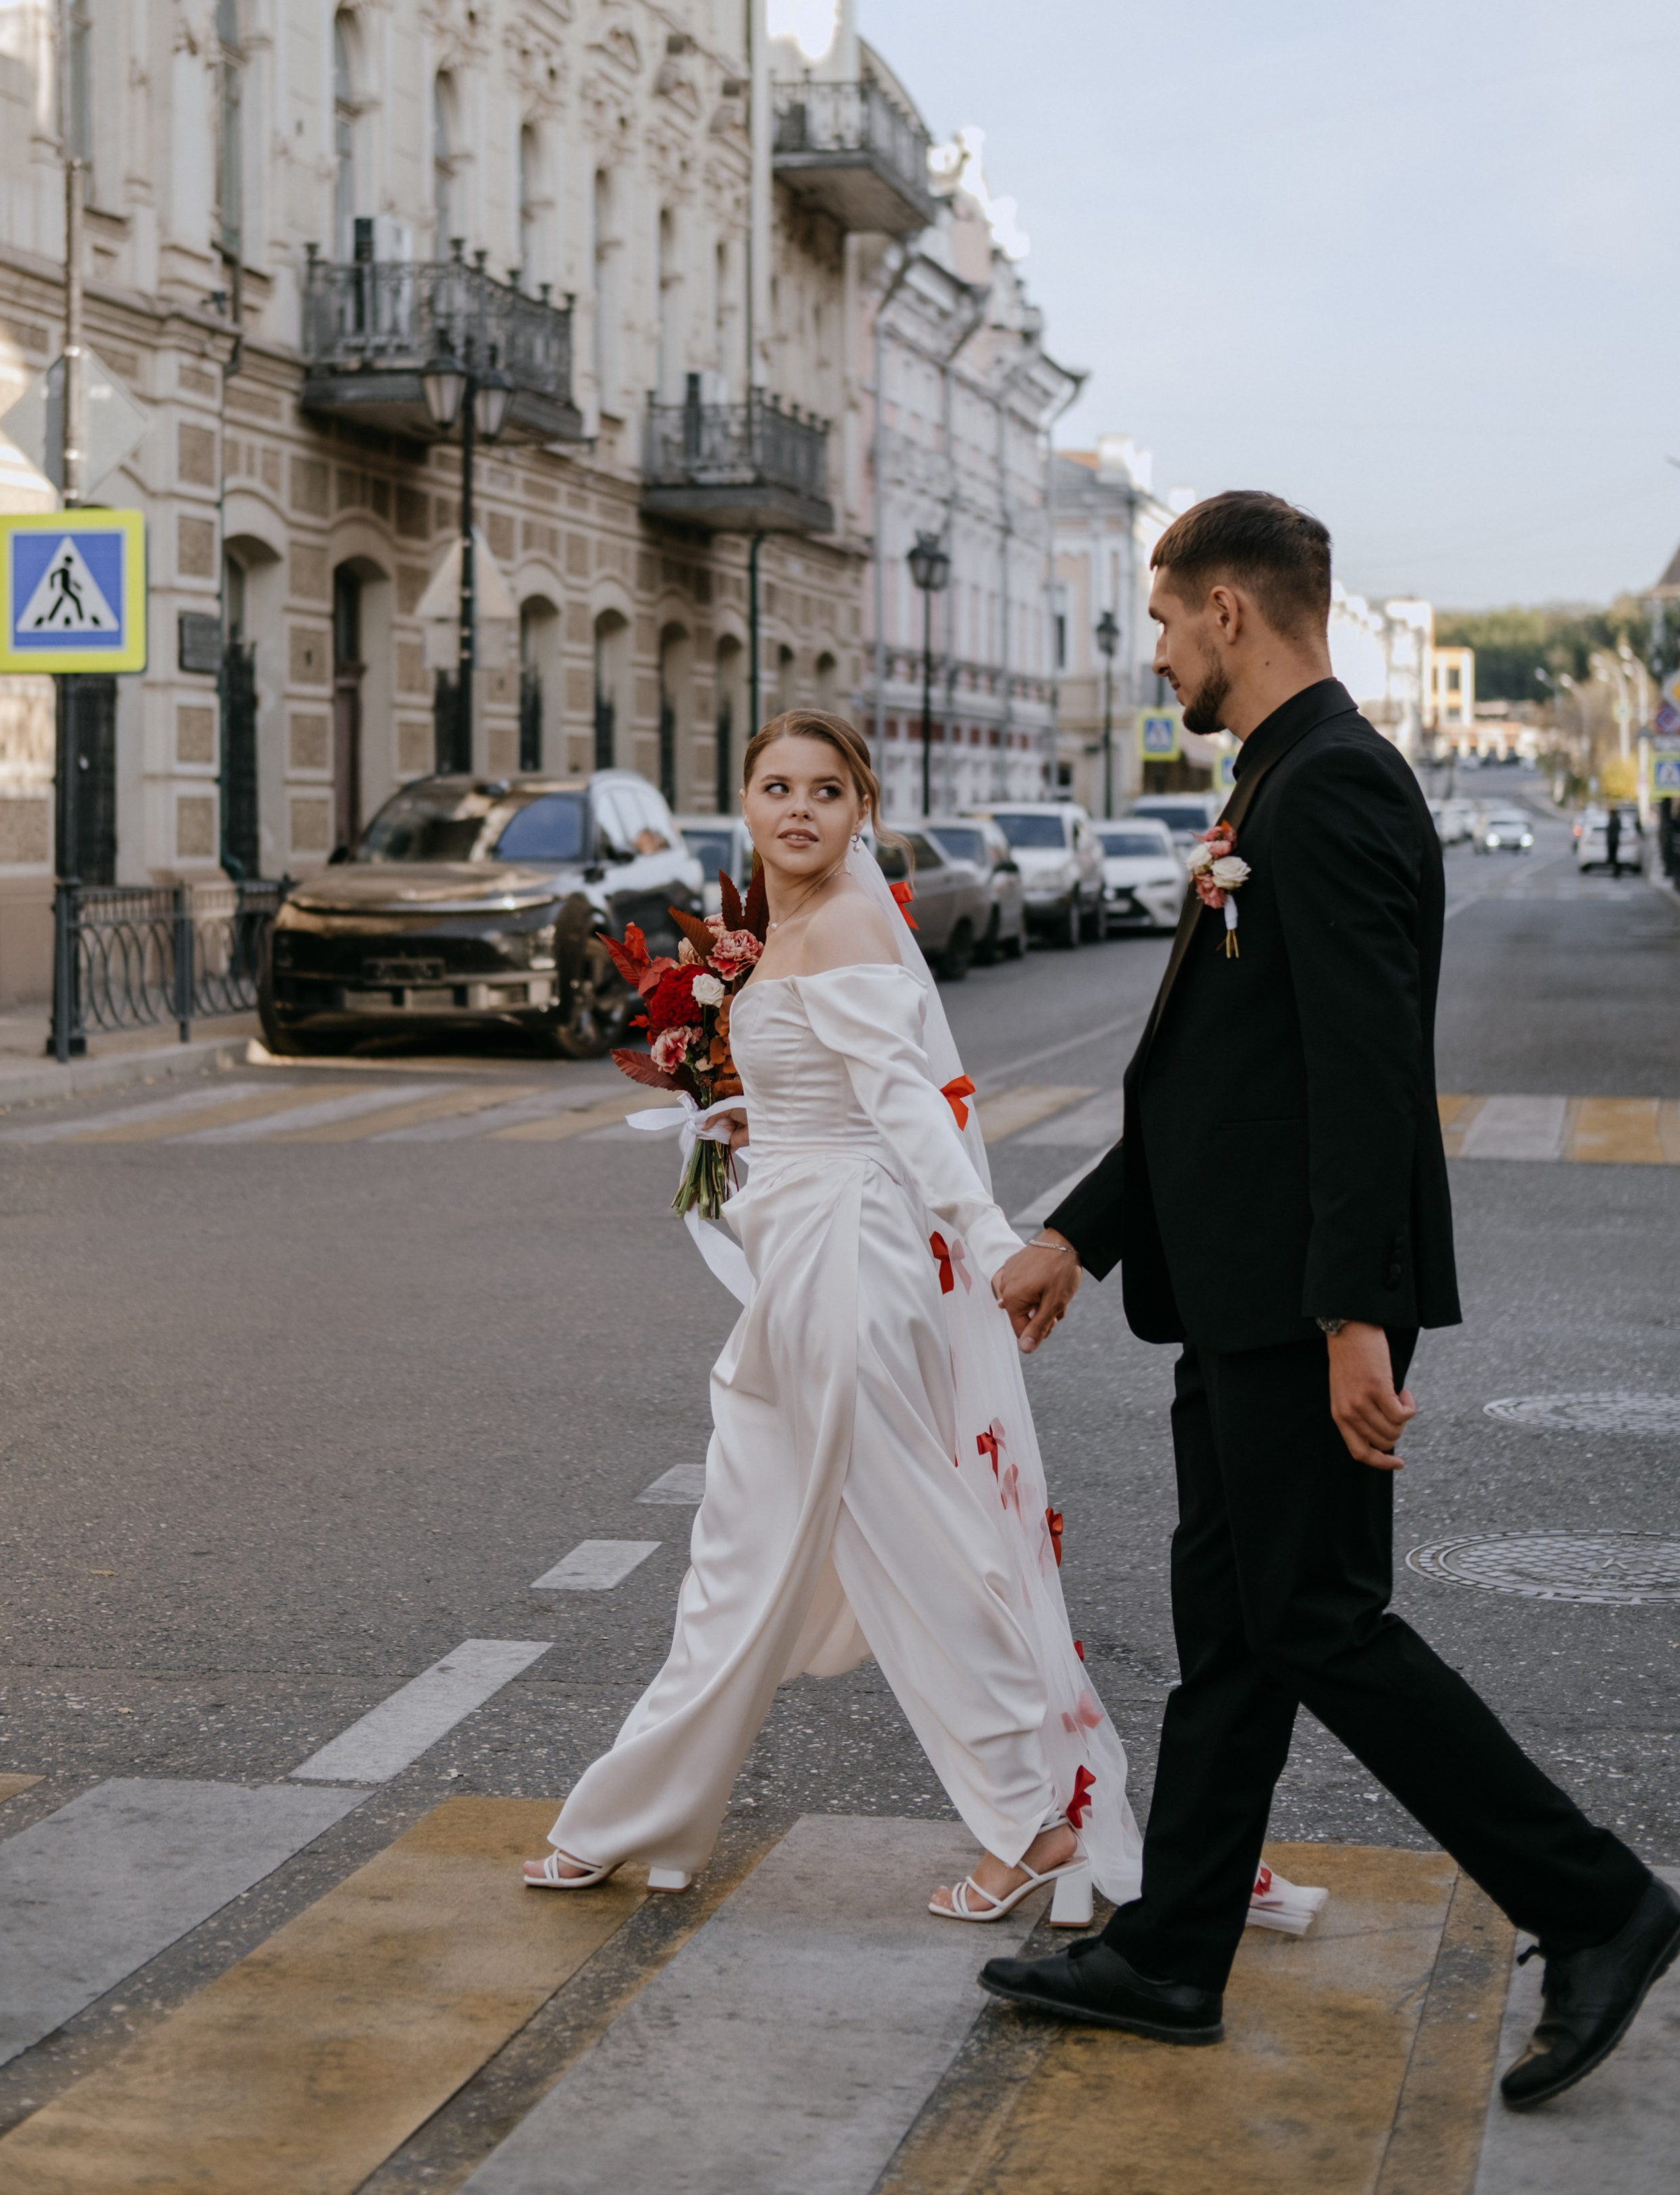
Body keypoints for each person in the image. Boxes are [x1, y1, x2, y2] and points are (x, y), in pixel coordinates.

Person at [985, 494, 1678, 2109]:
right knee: (1232, 1632)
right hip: (1244, 1294)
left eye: (1166, 622)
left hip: (1302, 1304)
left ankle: (1594, 1904)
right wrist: (1080, 1235)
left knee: (1315, 1622)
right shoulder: (1273, 779)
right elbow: (1222, 1082)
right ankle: (1169, 1956)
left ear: (1228, 612)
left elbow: (1363, 1076)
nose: (1155, 653)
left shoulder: (1335, 783)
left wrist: (1352, 1317)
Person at [523, 711, 1308, 1936]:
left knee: (917, 1548)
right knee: (734, 1553)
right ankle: (627, 1817)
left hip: (849, 1266)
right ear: (745, 802)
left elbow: (909, 1111)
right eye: (776, 786)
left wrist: (994, 1244)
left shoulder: (842, 924)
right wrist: (749, 1116)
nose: (798, 809)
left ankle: (1032, 1820)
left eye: (826, 791)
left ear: (863, 811)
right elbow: (825, 1090)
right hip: (801, 1258)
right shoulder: (788, 926)